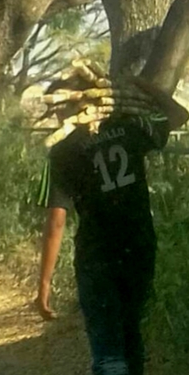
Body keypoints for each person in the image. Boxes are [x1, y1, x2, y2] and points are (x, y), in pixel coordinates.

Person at [35, 77, 188, 375]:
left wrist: (44, 283)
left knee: (107, 346)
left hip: (97, 254)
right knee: (131, 334)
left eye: (58, 107)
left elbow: (56, 220)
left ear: (73, 104)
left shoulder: (64, 151)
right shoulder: (130, 130)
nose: (56, 116)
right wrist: (143, 85)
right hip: (140, 248)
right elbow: (178, 114)